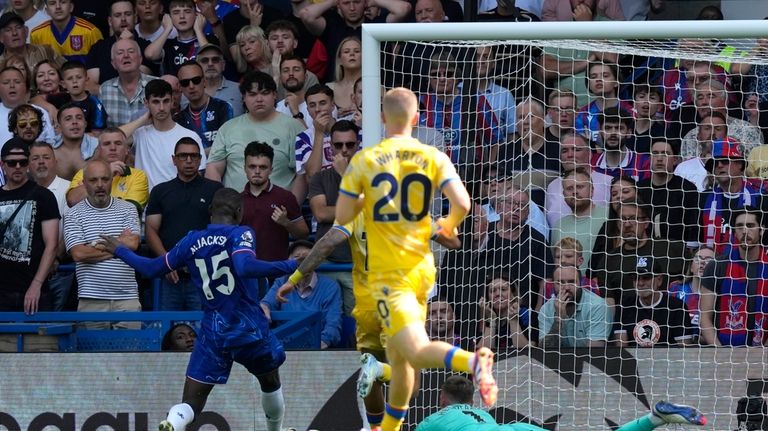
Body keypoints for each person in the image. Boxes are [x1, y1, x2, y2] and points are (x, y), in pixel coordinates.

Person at [333, 87, 497, 431]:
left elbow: (344, 215)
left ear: (381, 119)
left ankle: (473, 361)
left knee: (415, 352)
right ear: (418, 119)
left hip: (388, 272)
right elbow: (464, 205)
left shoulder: (363, 161)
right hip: (422, 269)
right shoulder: (434, 155)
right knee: (406, 360)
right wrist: (446, 226)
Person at [99, 187, 299, 431]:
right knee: (270, 382)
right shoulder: (241, 233)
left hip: (213, 330)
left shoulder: (191, 240)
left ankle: (172, 422)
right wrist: (290, 266)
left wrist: (120, 250)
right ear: (239, 212)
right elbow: (244, 266)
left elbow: (151, 269)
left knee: (192, 401)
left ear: (210, 211)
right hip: (247, 328)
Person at [415, 375, 707, 431]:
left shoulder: (432, 421)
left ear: (443, 399)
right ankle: (655, 418)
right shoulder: (480, 415)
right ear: (472, 399)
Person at [63, 160, 142, 330]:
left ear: (111, 181)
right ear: (84, 183)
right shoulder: (72, 214)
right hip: (91, 300)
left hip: (127, 298)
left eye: (105, 179)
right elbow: (78, 254)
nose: (100, 185)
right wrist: (118, 247)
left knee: (131, 355)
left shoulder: (128, 209)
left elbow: (134, 243)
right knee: (91, 356)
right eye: (93, 180)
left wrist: (93, 246)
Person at [146, 137, 222, 311]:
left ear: (200, 159)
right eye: (183, 156)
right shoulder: (160, 191)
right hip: (170, 275)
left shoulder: (215, 189)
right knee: (168, 331)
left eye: (194, 156)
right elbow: (150, 230)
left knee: (204, 327)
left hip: (204, 275)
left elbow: (221, 231)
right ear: (174, 159)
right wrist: (166, 262)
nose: (189, 160)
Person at [205, 71, 305, 202]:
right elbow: (214, 168)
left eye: (265, 93)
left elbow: (303, 173)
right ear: (243, 98)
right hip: (236, 211)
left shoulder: (294, 127)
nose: (259, 99)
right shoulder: (228, 128)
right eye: (252, 94)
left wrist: (292, 209)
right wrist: (223, 205)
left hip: (279, 212)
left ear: (275, 95)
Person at [0, 138, 59, 314]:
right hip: (2, 290)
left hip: (34, 288)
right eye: (12, 162)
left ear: (28, 164)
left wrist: (36, 284)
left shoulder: (44, 196)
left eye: (23, 162)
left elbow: (52, 245)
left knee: (39, 341)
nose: (17, 166)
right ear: (2, 164)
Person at [699, 206, 768, 347]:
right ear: (734, 232)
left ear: (761, 230)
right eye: (739, 226)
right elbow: (705, 317)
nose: (744, 231)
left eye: (750, 225)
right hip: (724, 353)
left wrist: (764, 353)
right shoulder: (717, 266)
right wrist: (720, 353)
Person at [262, 240, 343, 349]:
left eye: (308, 258)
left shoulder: (330, 286)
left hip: (316, 348)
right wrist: (264, 307)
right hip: (283, 348)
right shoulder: (281, 282)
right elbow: (267, 303)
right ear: (288, 261)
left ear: (316, 262)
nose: (302, 262)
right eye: (297, 257)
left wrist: (318, 346)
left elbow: (333, 324)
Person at [129, 79, 207, 190]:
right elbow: (111, 137)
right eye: (155, 102)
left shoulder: (190, 136)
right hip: (146, 203)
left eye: (165, 101)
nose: (161, 108)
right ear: (146, 103)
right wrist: (144, 118)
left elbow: (199, 174)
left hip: (177, 201)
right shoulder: (139, 134)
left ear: (172, 102)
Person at [240, 141, 308, 262]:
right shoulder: (237, 200)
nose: (257, 171)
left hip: (277, 269)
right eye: (252, 166)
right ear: (244, 168)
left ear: (271, 169)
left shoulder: (285, 197)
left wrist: (286, 223)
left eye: (263, 167)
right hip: (246, 270)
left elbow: (303, 234)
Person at [614, 256, 694, 347]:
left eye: (646, 278)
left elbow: (684, 350)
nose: (640, 283)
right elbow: (621, 350)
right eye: (636, 278)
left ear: (659, 280)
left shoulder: (676, 307)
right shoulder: (625, 305)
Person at [66, 127, 149, 211]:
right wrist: (106, 173)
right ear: (98, 150)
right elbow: (72, 201)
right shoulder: (83, 173)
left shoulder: (138, 176)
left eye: (118, 143)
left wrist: (91, 188)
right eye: (106, 144)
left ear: (126, 150)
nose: (113, 148)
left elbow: (130, 211)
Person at [636, 139, 700, 246]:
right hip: (643, 250)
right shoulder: (639, 189)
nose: (660, 159)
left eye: (665, 154)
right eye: (655, 154)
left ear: (675, 160)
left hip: (676, 251)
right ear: (650, 158)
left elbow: (693, 227)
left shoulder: (687, 189)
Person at [539, 265, 611, 348]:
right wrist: (558, 320)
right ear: (553, 285)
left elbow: (594, 354)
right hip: (557, 360)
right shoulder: (546, 309)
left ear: (580, 283)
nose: (566, 288)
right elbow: (544, 352)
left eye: (572, 282)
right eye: (560, 282)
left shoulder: (597, 306)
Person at [143, 0, 214, 77]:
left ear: (196, 15)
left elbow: (211, 59)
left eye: (187, 11)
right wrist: (167, 29)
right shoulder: (168, 44)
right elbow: (150, 55)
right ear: (169, 18)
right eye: (176, 12)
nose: (182, 16)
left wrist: (198, 30)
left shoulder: (209, 39)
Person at [176, 60, 234, 153]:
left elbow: (227, 145)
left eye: (196, 80)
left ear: (204, 82)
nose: (191, 86)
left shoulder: (223, 108)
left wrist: (197, 155)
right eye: (185, 82)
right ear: (180, 87)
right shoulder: (179, 119)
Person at [100, 38, 158, 128]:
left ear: (140, 59)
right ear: (113, 63)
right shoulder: (105, 89)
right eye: (120, 53)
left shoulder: (156, 84)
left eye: (131, 51)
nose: (126, 55)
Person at [29, 0, 103, 64]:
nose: (58, 6)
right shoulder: (36, 34)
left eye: (63, 2)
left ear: (71, 7)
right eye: (52, 3)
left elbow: (101, 64)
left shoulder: (90, 32)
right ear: (47, 10)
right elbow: (36, 68)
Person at [668, 246, 715, 341]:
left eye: (709, 260)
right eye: (698, 259)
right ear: (691, 267)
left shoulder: (721, 295)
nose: (702, 263)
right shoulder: (675, 288)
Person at [52, 103, 99, 181]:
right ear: (59, 126)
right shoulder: (50, 151)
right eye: (68, 119)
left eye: (79, 118)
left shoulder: (97, 148)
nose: (74, 122)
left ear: (85, 124)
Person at [196, 44, 243, 117]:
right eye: (204, 60)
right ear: (197, 66)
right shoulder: (189, 93)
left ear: (223, 65)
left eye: (215, 60)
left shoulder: (240, 90)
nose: (210, 64)